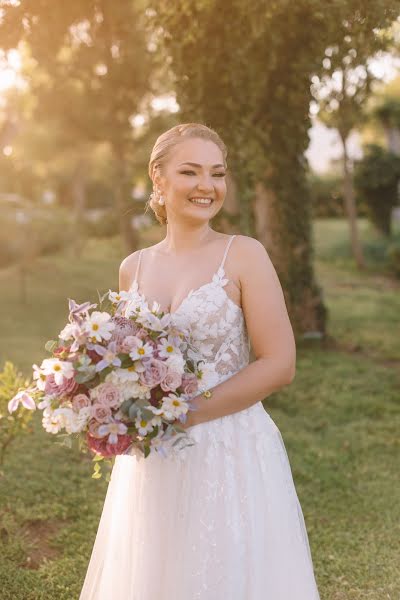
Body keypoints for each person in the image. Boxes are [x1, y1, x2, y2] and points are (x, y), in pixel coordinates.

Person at [79, 123, 321, 599]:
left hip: (232, 447)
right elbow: (125, 361)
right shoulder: (134, 267)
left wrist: (184, 412)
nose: (206, 186)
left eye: (218, 173)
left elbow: (279, 363)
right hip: (154, 455)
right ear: (159, 178)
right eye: (190, 172)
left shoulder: (244, 255)